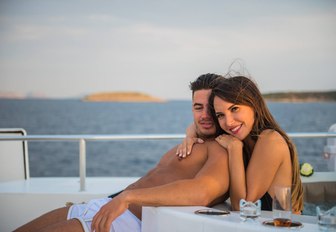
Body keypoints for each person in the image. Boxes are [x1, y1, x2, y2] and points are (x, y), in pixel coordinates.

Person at [14, 73, 230, 232]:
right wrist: (118, 199)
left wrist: (127, 197)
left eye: (211, 107)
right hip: (104, 205)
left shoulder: (221, 149)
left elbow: (202, 191)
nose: (204, 115)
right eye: (197, 107)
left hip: (123, 221)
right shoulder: (196, 139)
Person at [181, 75, 304, 213]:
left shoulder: (270, 140)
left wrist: (235, 150)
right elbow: (194, 125)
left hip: (284, 226)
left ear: (254, 104)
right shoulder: (237, 137)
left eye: (234, 109)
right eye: (220, 115)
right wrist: (190, 136)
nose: (228, 122)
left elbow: (242, 207)